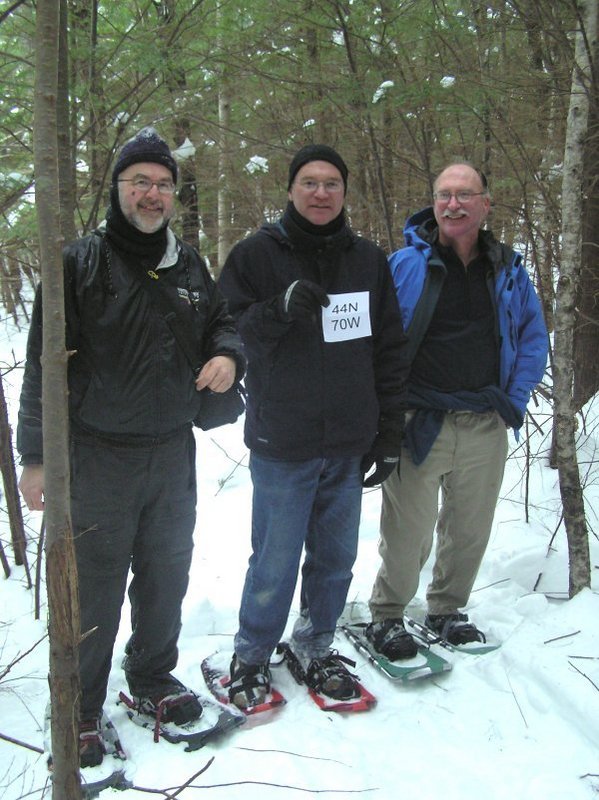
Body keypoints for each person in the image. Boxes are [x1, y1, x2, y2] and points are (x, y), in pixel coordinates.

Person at [17, 127, 245, 767]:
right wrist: (36, 458)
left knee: (166, 574)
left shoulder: (189, 261)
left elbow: (220, 323)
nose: (152, 194)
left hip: (171, 452)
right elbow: (43, 366)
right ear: (116, 188)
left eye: (163, 184)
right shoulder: (77, 264)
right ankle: (81, 706)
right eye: (139, 182)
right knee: (93, 585)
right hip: (99, 455)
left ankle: (150, 678)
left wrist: (228, 355)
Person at [218, 144, 408, 707]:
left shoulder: (369, 260)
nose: (321, 192)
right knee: (274, 559)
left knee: (335, 557)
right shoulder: (255, 255)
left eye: (331, 183)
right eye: (309, 182)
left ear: (345, 193)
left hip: (348, 441)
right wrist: (278, 308)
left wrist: (389, 432)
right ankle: (251, 653)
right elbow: (226, 334)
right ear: (291, 189)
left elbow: (389, 349)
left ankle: (315, 642)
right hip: (284, 440)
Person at [365, 162, 548, 659]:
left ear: (485, 205)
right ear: (434, 202)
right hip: (418, 419)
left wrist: (513, 399)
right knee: (408, 531)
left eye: (465, 195)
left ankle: (446, 608)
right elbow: (377, 337)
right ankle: (387, 615)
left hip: (485, 420)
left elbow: (533, 337)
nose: (453, 204)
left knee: (470, 528)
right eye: (445, 194)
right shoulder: (403, 265)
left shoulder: (507, 268)